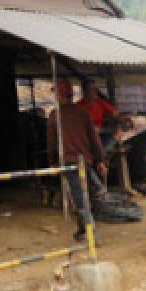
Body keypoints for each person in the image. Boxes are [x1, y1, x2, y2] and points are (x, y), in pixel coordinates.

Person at [47, 78, 107, 241]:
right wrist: (100, 160)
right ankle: (82, 230)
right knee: (83, 194)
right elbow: (95, 140)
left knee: (80, 199)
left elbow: (51, 143)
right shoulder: (82, 113)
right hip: (84, 162)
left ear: (60, 95)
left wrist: (52, 162)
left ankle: (91, 234)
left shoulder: (55, 115)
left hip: (70, 164)